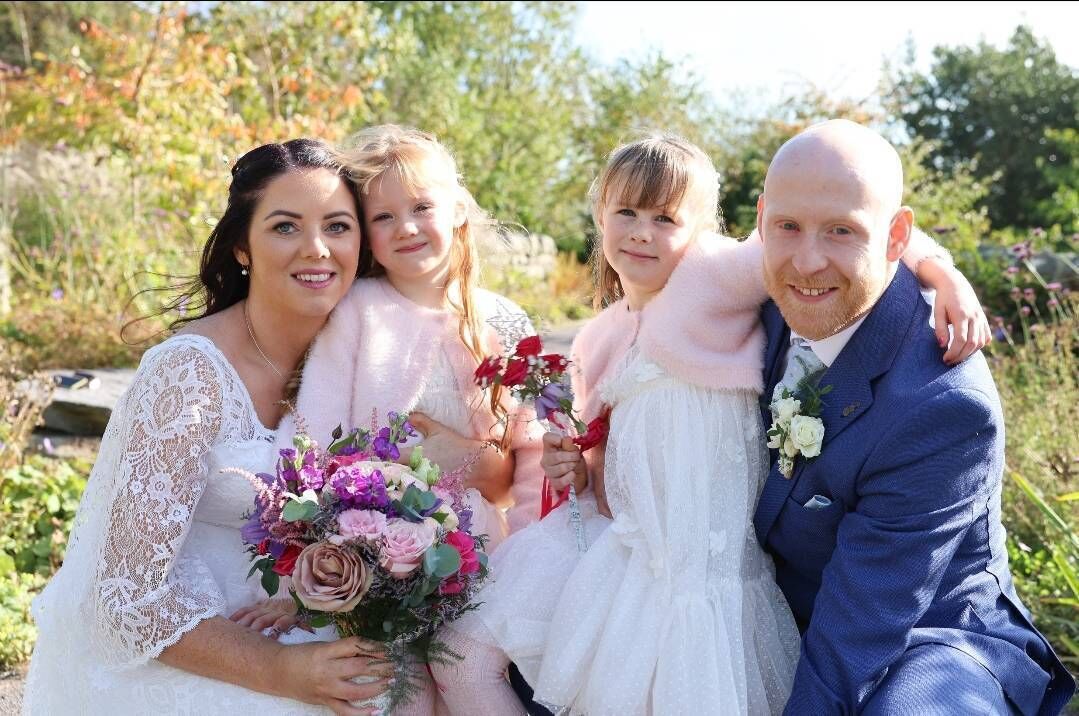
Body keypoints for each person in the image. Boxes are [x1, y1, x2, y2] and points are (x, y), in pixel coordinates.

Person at [431, 133, 985, 715]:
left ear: (702, 231)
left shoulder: (712, 278)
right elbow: (610, 467)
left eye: (664, 218)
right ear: (600, 216)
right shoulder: (597, 338)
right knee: (466, 650)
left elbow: (849, 222)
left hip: (705, 575)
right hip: (632, 554)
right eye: (626, 212)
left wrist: (944, 274)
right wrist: (576, 465)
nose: (642, 231)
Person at [23, 139, 391, 716]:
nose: (317, 249)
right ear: (242, 246)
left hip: (310, 624)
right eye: (286, 227)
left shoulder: (362, 358)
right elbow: (127, 600)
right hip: (185, 651)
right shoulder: (187, 374)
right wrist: (284, 671)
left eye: (338, 226)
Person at [753, 119, 1075, 714]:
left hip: (927, 635)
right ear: (762, 220)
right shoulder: (756, 294)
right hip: (773, 607)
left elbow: (861, 623)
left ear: (896, 236)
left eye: (842, 231)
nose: (807, 260)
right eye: (788, 226)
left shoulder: (943, 402)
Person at [276, 125, 545, 550]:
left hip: (491, 549)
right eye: (383, 217)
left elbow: (534, 453)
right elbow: (315, 434)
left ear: (457, 210)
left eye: (421, 207)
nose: (405, 227)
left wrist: (532, 548)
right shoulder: (355, 312)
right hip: (375, 552)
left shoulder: (503, 319)